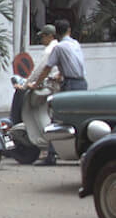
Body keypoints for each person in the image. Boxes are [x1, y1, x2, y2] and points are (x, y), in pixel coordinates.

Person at [27, 19, 88, 166]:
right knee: (79, 119)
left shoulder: (58, 47)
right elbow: (73, 63)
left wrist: (35, 83)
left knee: (57, 118)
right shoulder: (75, 44)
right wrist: (59, 75)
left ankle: (51, 155)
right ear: (69, 31)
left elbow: (46, 67)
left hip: (70, 84)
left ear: (54, 34)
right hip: (82, 83)